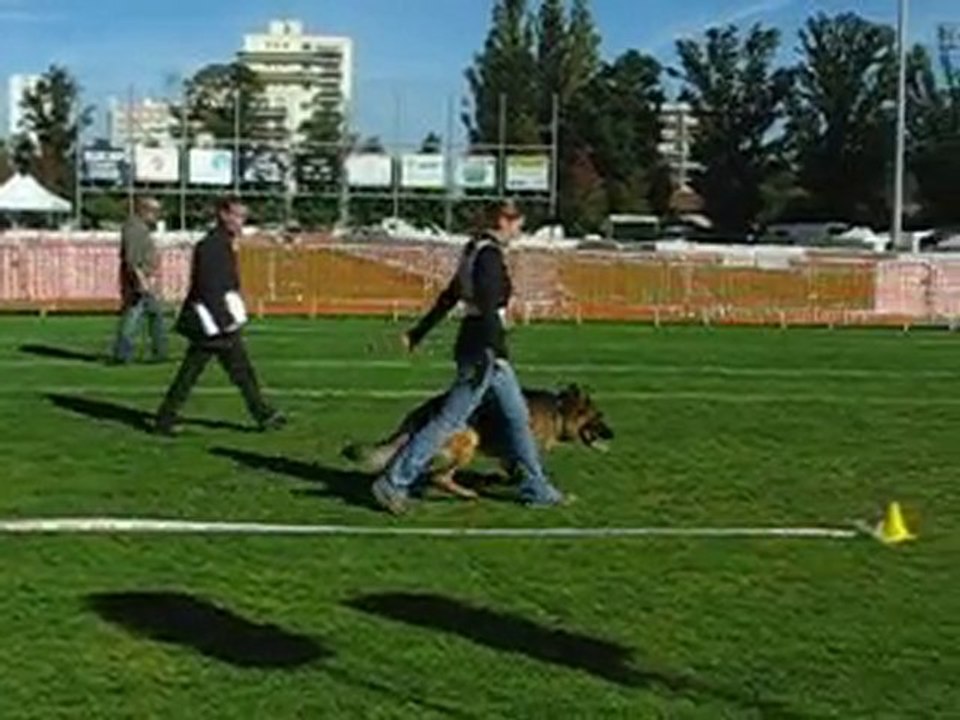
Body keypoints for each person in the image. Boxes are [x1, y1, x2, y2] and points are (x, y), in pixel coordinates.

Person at [371, 199, 570, 514]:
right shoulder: (488, 255)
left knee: (518, 418)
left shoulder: (474, 250)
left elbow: (450, 297)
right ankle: (394, 481)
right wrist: (492, 349)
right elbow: (488, 306)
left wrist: (419, 332)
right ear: (502, 221)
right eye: (517, 221)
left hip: (482, 347)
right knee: (449, 421)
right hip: (484, 350)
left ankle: (537, 486)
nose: (520, 228)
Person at [153, 196, 285, 436]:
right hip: (213, 323)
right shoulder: (212, 245)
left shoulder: (221, 243)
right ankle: (263, 414)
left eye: (243, 216)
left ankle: (166, 417)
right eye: (236, 215)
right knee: (228, 373)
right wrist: (225, 319)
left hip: (215, 321)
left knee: (217, 373)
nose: (240, 221)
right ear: (223, 214)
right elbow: (208, 286)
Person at [110, 196, 168, 364]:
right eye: (155, 211)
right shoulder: (135, 229)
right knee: (133, 316)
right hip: (138, 280)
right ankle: (123, 354)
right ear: (144, 210)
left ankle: (158, 352)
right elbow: (133, 258)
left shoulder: (139, 227)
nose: (157, 215)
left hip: (143, 278)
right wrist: (141, 280)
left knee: (153, 315)